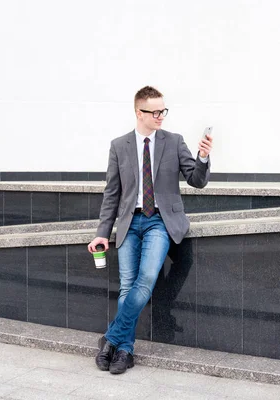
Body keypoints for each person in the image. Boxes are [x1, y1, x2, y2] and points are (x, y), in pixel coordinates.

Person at [87, 86, 212, 374]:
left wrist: (203, 158)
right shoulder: (120, 146)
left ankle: (111, 339)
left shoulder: (174, 141)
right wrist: (102, 232)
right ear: (138, 112)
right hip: (130, 222)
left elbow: (196, 180)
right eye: (154, 112)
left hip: (160, 221)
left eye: (163, 111)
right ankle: (124, 350)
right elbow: (112, 194)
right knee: (127, 285)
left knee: (145, 278)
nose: (160, 116)